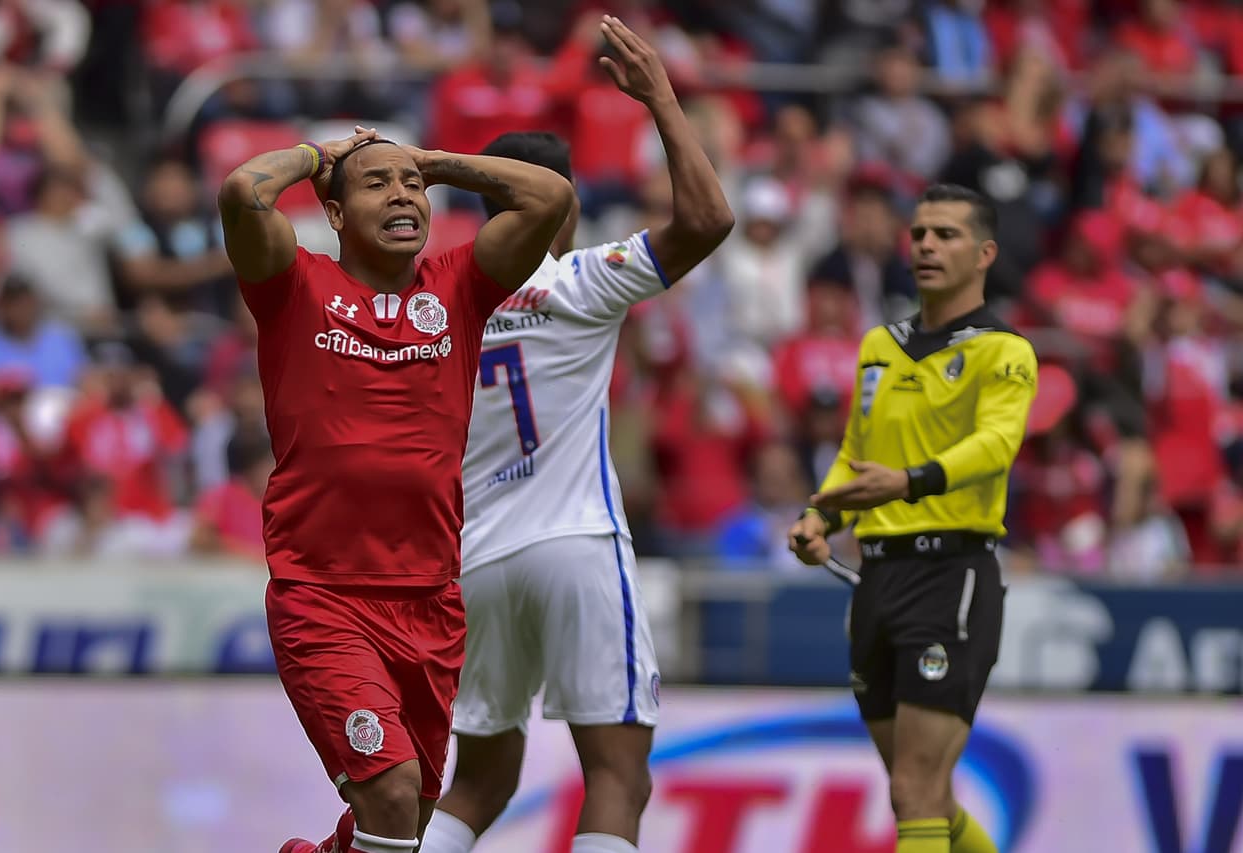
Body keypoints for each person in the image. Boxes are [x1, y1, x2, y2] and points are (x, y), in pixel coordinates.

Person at [420, 16, 733, 853]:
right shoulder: (577, 281)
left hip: (476, 559)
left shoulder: (442, 305)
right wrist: (662, 97)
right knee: (618, 775)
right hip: (576, 542)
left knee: (480, 781)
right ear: (563, 208)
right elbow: (706, 220)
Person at [217, 125, 573, 853]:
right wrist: (319, 157)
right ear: (336, 214)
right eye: (377, 183)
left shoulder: (460, 286)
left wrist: (433, 161)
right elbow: (241, 193)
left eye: (411, 185)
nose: (403, 193)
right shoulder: (295, 285)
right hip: (324, 596)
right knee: (391, 788)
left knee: (401, 819)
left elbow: (551, 196)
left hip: (431, 603)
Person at [788, 184, 1037, 853]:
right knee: (923, 793)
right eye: (920, 232)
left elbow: (996, 446)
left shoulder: (1004, 351)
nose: (926, 244)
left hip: (950, 572)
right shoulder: (880, 344)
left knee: (915, 788)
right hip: (876, 579)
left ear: (984, 253)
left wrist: (907, 483)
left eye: (946, 234)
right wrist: (820, 514)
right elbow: (856, 452)